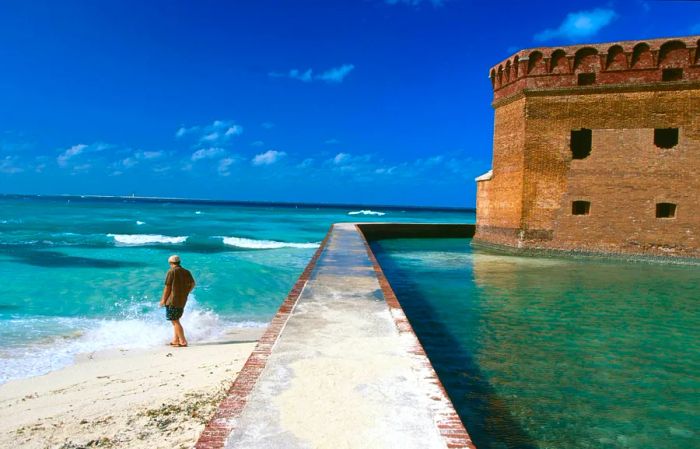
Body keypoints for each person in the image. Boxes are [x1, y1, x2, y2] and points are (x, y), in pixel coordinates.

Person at [159, 255, 195, 347]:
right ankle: (175, 340)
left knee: (174, 320)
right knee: (176, 319)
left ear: (170, 263)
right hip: (182, 300)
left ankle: (183, 341)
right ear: (179, 262)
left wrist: (163, 300)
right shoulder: (186, 271)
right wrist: (186, 292)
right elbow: (193, 284)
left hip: (172, 300)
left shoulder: (171, 271)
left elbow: (167, 287)